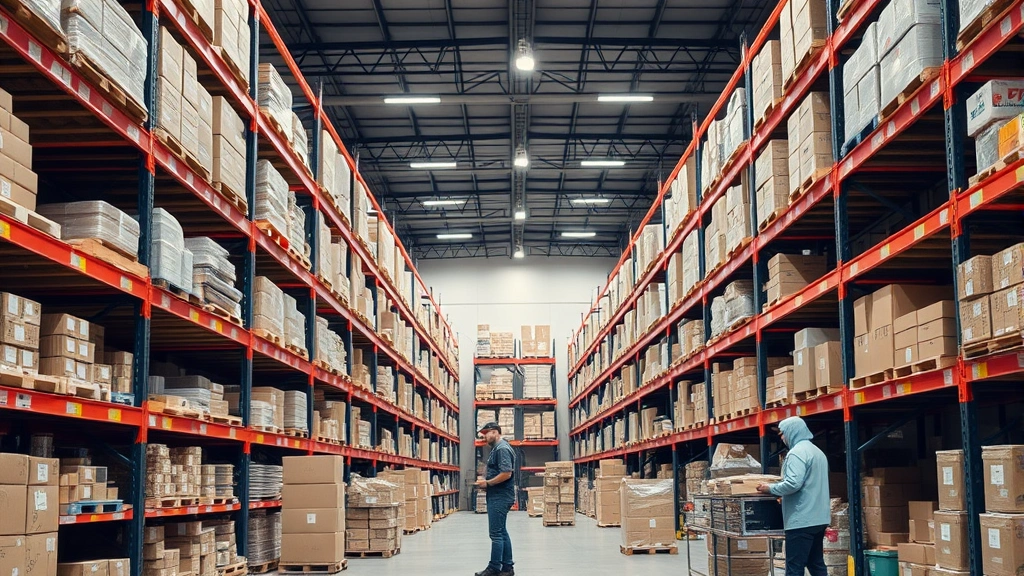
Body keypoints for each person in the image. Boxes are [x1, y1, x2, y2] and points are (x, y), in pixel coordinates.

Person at [756, 415, 831, 576]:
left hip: (802, 520)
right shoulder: (817, 452)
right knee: (816, 563)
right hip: (820, 518)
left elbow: (792, 484)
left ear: (792, 431)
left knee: (794, 567)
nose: (782, 438)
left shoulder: (796, 453)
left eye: (782, 433)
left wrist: (770, 488)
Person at [474, 421, 515, 576]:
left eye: (487, 433)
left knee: (496, 534)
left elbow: (506, 473)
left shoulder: (502, 448)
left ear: (496, 432)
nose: (485, 436)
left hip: (500, 496)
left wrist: (487, 483)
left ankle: (494, 568)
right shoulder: (496, 448)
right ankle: (507, 568)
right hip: (498, 495)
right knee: (502, 532)